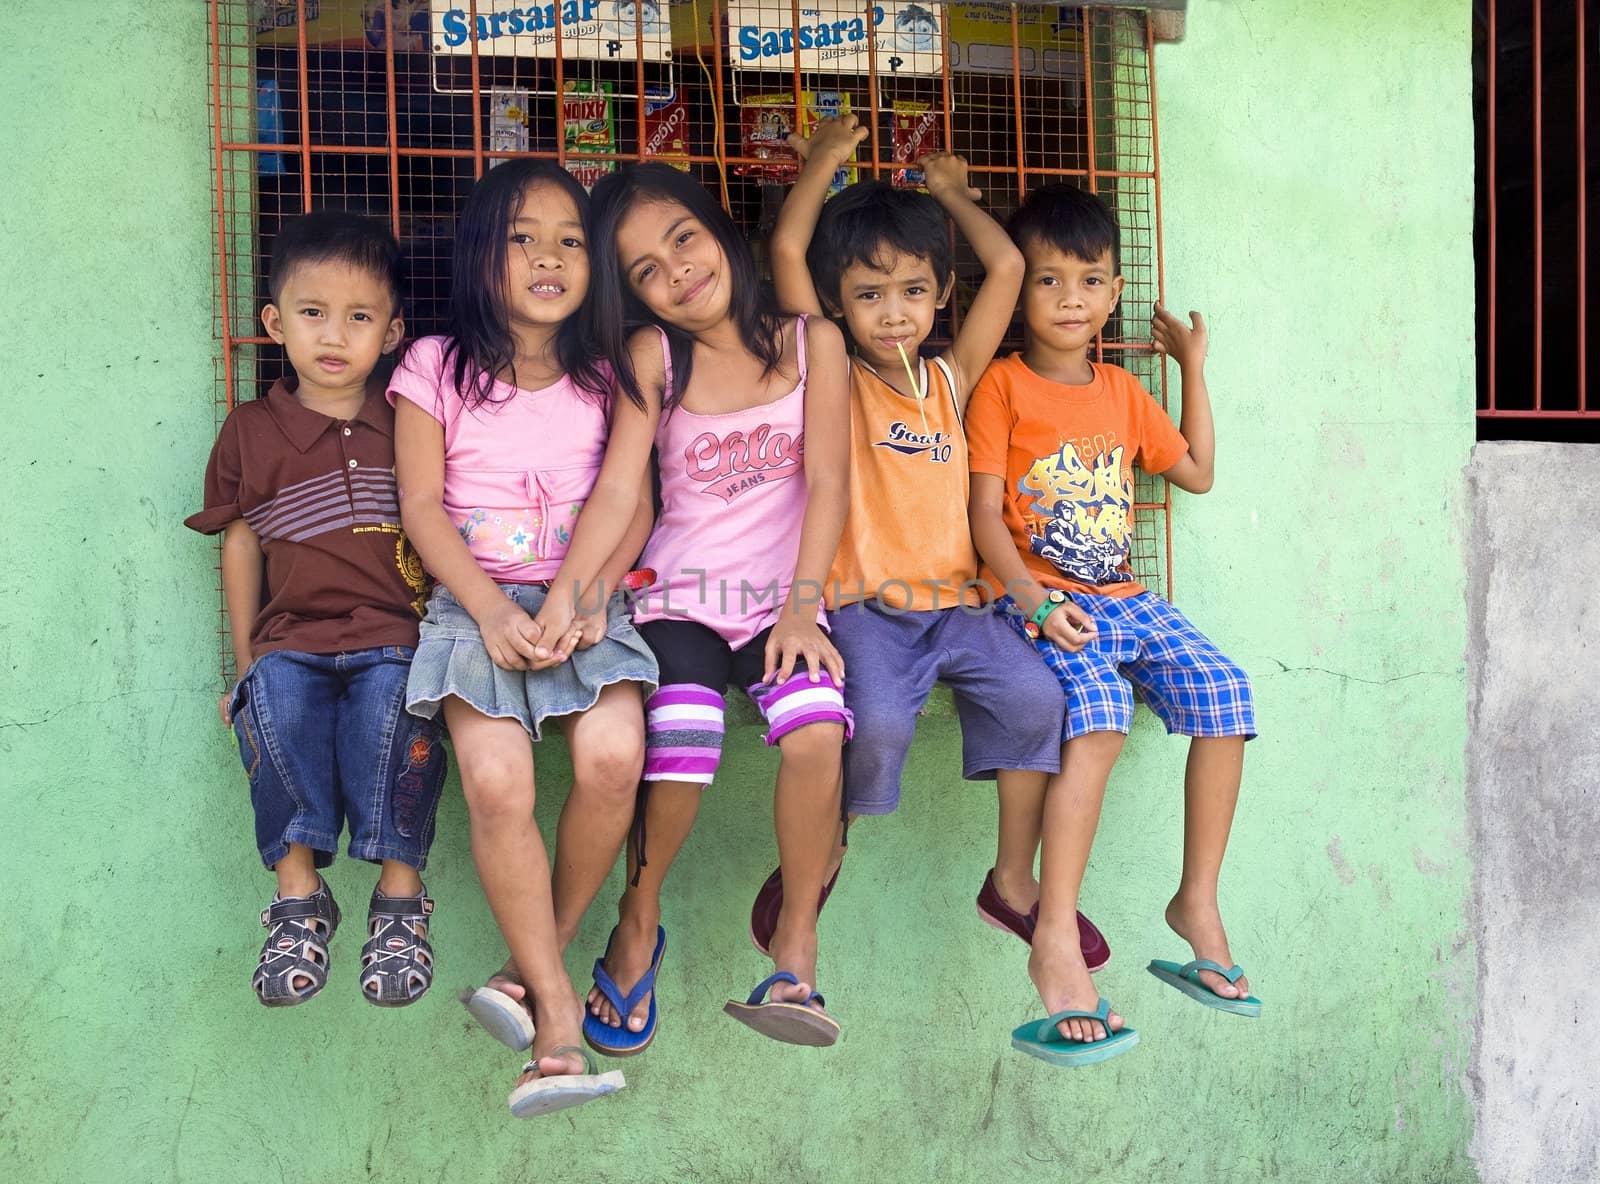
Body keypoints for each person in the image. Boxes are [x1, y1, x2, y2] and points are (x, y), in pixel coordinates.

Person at [752, 114, 1112, 971]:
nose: (893, 313)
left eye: (914, 290)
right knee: (872, 721)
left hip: (964, 606)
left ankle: (1011, 882)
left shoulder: (953, 379)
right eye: (869, 294)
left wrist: (949, 191)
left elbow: (1012, 267)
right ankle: (827, 841)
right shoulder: (831, 371)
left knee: (1036, 702)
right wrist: (827, 166)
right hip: (868, 608)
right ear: (839, 304)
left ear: (941, 294)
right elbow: (789, 254)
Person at [967, 182, 1260, 1068]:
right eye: (1048, 281)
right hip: (1043, 604)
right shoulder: (1001, 388)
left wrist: (1193, 370)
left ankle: (1196, 902)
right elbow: (983, 515)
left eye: (1090, 282)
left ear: (1116, 291)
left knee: (1227, 694)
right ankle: (1055, 930)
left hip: (1127, 598)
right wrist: (1032, 601)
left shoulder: (1126, 392)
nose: (1071, 301)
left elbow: (1198, 472)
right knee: (1098, 723)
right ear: (1017, 294)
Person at [391, 160, 659, 1116]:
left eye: (571, 240)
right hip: (474, 601)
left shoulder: (620, 367)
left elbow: (629, 496)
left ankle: (521, 967)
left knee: (615, 758)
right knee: (498, 782)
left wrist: (581, 600)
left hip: (588, 597)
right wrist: (495, 610)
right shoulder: (431, 364)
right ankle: (554, 1015)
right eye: (523, 237)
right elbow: (420, 505)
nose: (550, 257)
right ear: (478, 253)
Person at [580, 162, 853, 1053]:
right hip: (683, 598)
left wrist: (804, 612)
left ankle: (798, 943)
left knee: (816, 732)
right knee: (685, 740)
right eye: (645, 271)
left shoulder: (817, 344)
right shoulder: (655, 358)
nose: (676, 272)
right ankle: (638, 915)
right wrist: (578, 598)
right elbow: (622, 491)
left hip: (785, 600)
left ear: (719, 229)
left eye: (683, 239)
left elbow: (828, 480)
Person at [186, 211, 449, 1010]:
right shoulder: (251, 430)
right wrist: (246, 658)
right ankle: (298, 900)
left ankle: (400, 901)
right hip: (292, 639)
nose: (335, 335)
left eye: (360, 317)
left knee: (404, 721)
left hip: (393, 636)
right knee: (271, 714)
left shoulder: (410, 419)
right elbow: (241, 545)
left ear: (394, 331)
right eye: (312, 313)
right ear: (274, 322)